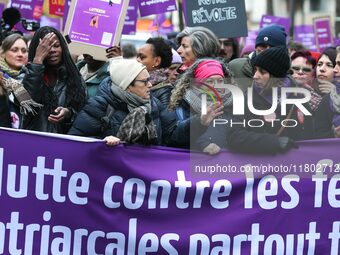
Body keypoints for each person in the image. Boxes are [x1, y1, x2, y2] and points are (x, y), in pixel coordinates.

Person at [68, 57, 219, 147]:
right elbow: (75, 143)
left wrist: (199, 122)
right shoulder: (100, 106)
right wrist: (102, 143)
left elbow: (173, 135)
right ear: (127, 86)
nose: (150, 85)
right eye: (144, 82)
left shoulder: (154, 104)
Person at [226, 46, 315, 154]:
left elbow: (312, 136)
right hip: (260, 167)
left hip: (293, 168)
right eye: (255, 70)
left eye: (262, 72)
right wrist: (273, 142)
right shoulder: (245, 99)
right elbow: (234, 137)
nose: (255, 76)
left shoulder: (299, 98)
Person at [22, 26, 86, 134]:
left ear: (63, 48)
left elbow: (84, 114)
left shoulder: (75, 78)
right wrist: (37, 60)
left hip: (62, 143)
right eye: (46, 47)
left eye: (56, 46)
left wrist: (68, 113)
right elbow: (27, 104)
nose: (52, 50)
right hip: (32, 141)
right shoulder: (25, 75)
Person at [168, 59, 228, 154]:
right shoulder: (182, 104)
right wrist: (201, 143)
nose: (216, 86)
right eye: (210, 81)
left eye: (220, 81)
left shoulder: (231, 102)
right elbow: (173, 138)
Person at [228, 25, 287, 92]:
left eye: (272, 49)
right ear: (256, 48)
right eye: (262, 47)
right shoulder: (235, 67)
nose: (266, 52)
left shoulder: (289, 76)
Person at [0, 33, 39, 129]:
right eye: (14, 50)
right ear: (3, 53)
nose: (20, 54)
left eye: (24, 51)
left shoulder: (33, 76)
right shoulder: (1, 78)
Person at [137, 37, 173, 107]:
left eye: (142, 57)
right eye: (137, 57)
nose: (137, 60)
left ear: (157, 61)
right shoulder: (136, 81)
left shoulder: (166, 92)